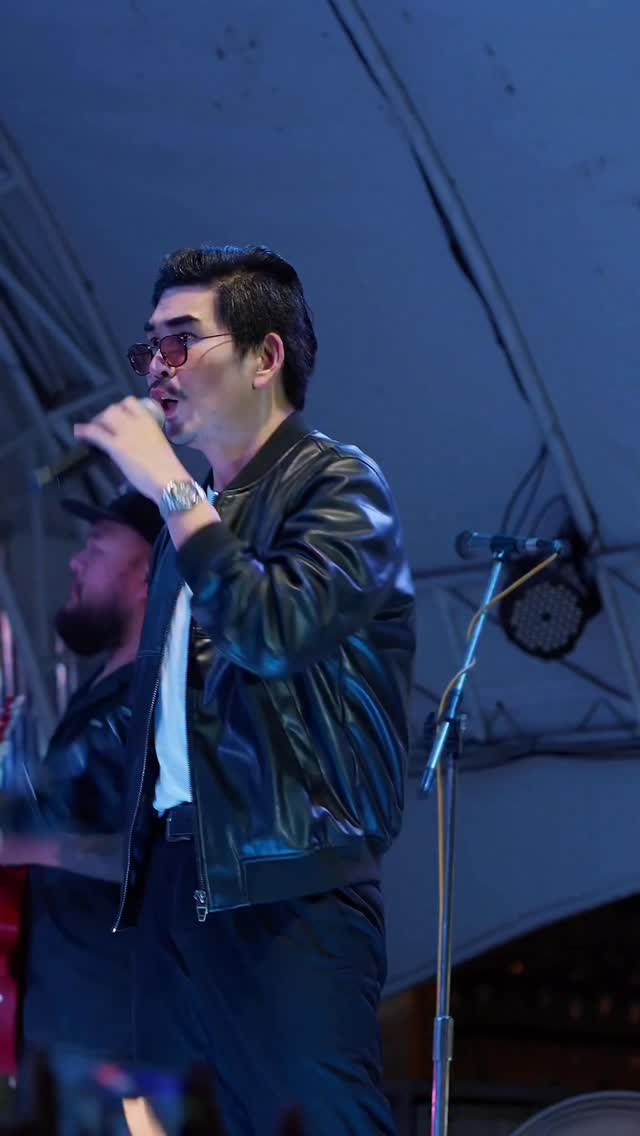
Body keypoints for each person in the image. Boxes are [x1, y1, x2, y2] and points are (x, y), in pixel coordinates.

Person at [66, 244, 415, 1135]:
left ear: (265, 357)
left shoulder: (340, 488)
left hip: (287, 883)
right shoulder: (190, 524)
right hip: (176, 879)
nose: (157, 368)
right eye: (149, 348)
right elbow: (160, 734)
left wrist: (171, 489)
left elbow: (273, 632)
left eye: (182, 342)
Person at [0, 490, 162, 1132]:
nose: (75, 561)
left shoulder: (158, 697)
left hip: (115, 1035)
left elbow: (159, 854)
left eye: (97, 546)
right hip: (62, 1020)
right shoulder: (101, 689)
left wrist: (23, 843)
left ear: (147, 572)